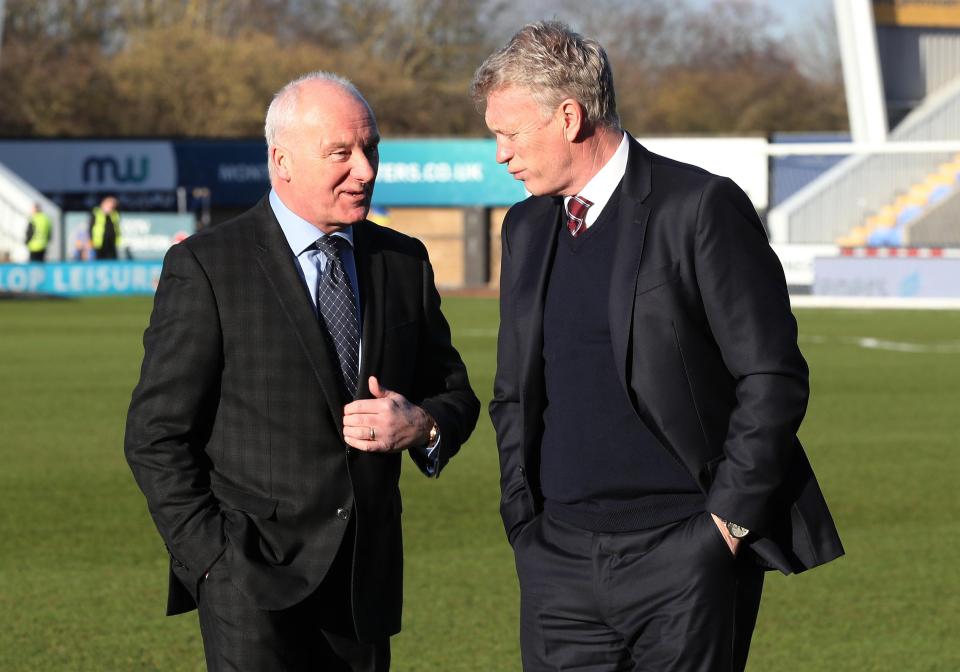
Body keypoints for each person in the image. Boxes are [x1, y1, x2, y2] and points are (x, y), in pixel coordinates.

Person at [474, 21, 844, 672]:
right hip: (556, 559)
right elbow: (513, 391)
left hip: (685, 554)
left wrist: (722, 528)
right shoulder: (526, 226)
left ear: (568, 117)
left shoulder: (698, 208)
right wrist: (523, 521)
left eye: (508, 134)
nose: (500, 154)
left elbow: (772, 378)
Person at [125, 72, 480, 671]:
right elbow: (155, 435)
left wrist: (421, 425)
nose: (365, 169)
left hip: (363, 585)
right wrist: (212, 563)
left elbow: (454, 392)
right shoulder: (207, 267)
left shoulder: (403, 261)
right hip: (248, 586)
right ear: (280, 161)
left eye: (371, 149)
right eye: (341, 153)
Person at [89, 195, 121, 260]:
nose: (111, 207)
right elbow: (91, 228)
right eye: (109, 204)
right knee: (99, 260)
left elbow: (116, 228)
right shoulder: (96, 212)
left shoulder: (114, 214)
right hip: (99, 243)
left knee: (112, 260)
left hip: (112, 243)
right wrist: (91, 240)